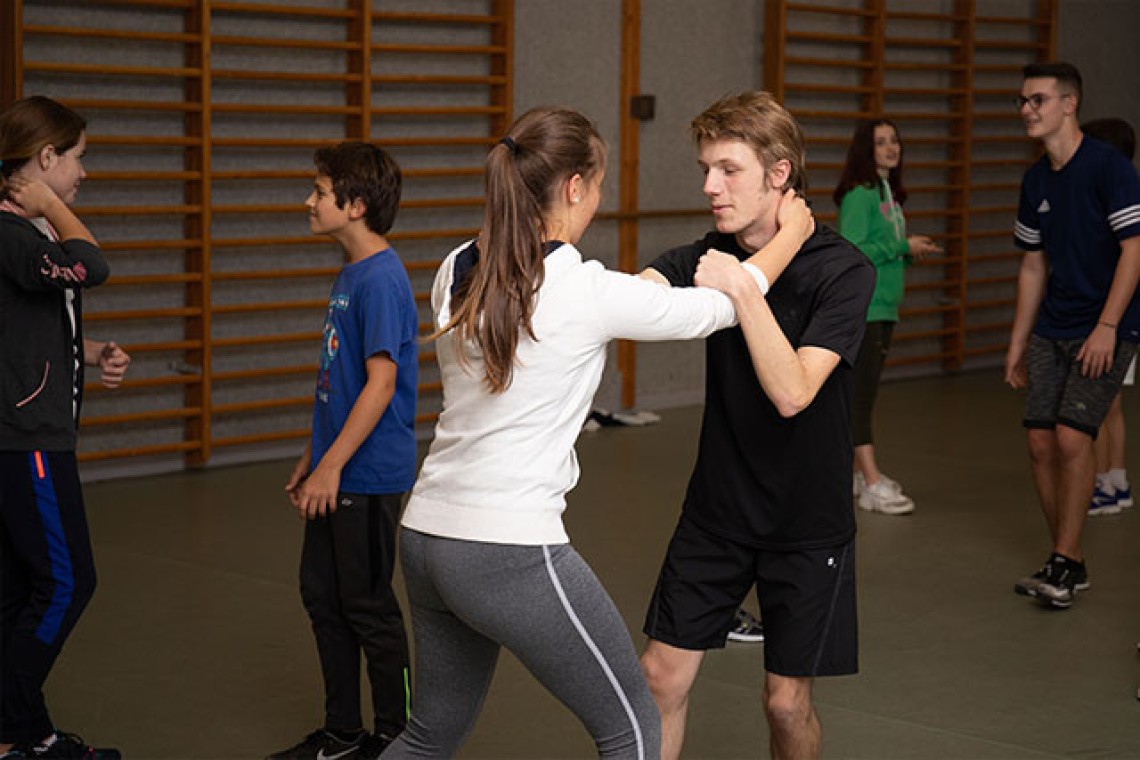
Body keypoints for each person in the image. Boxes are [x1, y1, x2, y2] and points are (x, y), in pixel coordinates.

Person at [382, 106, 813, 759]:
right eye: (601, 185)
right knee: (634, 727)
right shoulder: (580, 287)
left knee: (430, 733)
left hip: (425, 537)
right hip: (508, 549)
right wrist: (794, 233)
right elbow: (726, 305)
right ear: (576, 188)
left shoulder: (455, 268)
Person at [639, 91, 874, 760]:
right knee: (659, 676)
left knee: (785, 702)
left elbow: (794, 392)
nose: (710, 186)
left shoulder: (843, 272)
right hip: (717, 510)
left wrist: (743, 288)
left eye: (728, 169)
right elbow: (639, 299)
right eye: (705, 169)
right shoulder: (702, 256)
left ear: (780, 174)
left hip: (806, 522)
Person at [269, 142, 417, 760]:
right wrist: (315, 453)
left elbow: (381, 385)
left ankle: (398, 737)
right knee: (322, 597)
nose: (309, 201)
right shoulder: (350, 273)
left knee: (368, 606)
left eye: (320, 192)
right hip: (335, 468)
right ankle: (342, 732)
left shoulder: (382, 279)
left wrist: (332, 465)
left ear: (355, 205)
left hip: (367, 474)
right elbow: (340, 379)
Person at [0, 96, 130, 759]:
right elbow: (94, 265)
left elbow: (21, 334)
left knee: (24, 587)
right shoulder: (16, 234)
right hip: (29, 445)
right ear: (45, 158)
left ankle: (30, 737)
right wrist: (48, 204)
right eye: (77, 158)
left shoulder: (23, 242)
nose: (83, 173)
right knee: (68, 580)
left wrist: (87, 350)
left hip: (29, 438)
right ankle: (6, 720)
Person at [1005, 63, 1140, 609]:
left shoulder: (1110, 168)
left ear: (1069, 104)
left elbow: (1135, 251)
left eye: (1037, 100)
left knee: (1070, 437)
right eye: (1022, 101)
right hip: (1051, 327)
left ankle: (1064, 558)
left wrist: (1107, 327)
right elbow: (1033, 268)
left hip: (1107, 324)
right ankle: (1069, 559)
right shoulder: (1035, 180)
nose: (1027, 110)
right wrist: (1017, 343)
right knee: (1040, 441)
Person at [834, 118, 941, 515]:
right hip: (866, 308)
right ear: (866, 148)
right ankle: (872, 481)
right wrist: (900, 245)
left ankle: (854, 475)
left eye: (895, 140)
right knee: (859, 400)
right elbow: (853, 250)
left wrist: (907, 251)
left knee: (864, 396)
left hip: (886, 308)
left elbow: (884, 247)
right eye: (881, 142)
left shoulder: (888, 193)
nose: (891, 147)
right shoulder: (859, 195)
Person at [1080, 117, 1138, 516]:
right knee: (1112, 402)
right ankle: (1116, 480)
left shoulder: (1116, 201)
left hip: (1111, 320)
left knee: (1096, 404)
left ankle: (1102, 480)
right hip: (1121, 320)